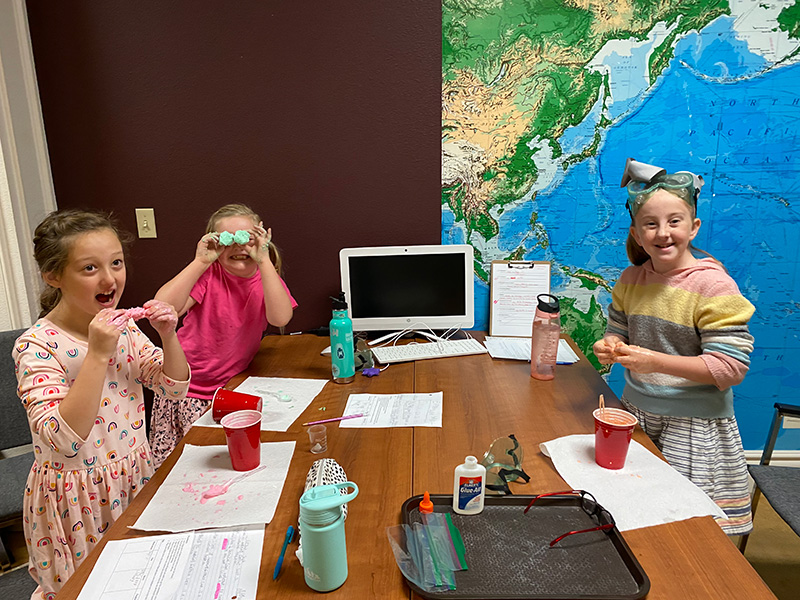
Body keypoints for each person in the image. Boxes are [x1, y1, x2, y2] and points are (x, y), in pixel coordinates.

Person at [13, 209, 190, 599]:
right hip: (76, 497)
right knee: (87, 587)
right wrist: (96, 354)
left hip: (133, 475)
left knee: (137, 577)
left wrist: (168, 336)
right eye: (89, 268)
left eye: (116, 263)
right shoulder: (36, 346)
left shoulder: (122, 327)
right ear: (53, 276)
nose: (109, 279)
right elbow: (63, 438)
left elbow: (173, 388)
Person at [593, 158, 755, 536]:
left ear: (693, 226)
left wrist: (654, 361)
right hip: (637, 413)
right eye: (650, 224)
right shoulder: (631, 279)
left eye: (674, 221)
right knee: (635, 514)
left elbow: (730, 368)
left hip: (693, 425)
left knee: (685, 527)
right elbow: (618, 330)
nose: (663, 233)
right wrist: (610, 345)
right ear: (636, 233)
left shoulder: (714, 286)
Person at [151, 203, 296, 467]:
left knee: (227, 461)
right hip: (187, 389)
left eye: (247, 238)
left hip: (229, 388)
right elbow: (165, 308)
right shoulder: (210, 274)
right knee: (187, 465)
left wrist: (264, 260)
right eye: (228, 239)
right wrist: (200, 261)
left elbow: (280, 318)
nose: (239, 246)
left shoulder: (266, 279)